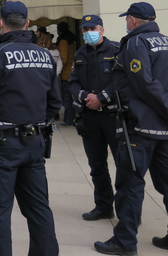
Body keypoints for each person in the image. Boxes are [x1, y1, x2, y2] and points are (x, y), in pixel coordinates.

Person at [0, 1, 61, 256]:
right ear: (27, 24)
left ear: (1, 23)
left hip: (2, 146)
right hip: (35, 144)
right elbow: (55, 102)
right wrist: (40, 123)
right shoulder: (44, 55)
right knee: (39, 209)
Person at [95, 2, 168, 256]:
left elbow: (144, 83)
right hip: (165, 130)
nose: (126, 23)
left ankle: (125, 242)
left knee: (130, 185)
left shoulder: (135, 43)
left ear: (132, 20)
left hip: (139, 127)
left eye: (127, 19)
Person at [66, 15, 119, 222]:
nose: (88, 32)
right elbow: (72, 82)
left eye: (92, 28)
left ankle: (127, 210)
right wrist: (84, 97)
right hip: (90, 117)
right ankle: (103, 206)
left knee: (123, 165)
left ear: (102, 29)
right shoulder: (80, 54)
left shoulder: (117, 51)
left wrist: (102, 98)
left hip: (113, 116)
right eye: (85, 29)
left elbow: (123, 81)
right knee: (97, 165)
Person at [57, 21, 77, 125]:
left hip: (65, 74)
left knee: (67, 98)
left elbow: (63, 58)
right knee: (69, 97)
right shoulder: (70, 39)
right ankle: (70, 118)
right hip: (70, 72)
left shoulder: (63, 41)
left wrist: (57, 70)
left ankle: (69, 119)